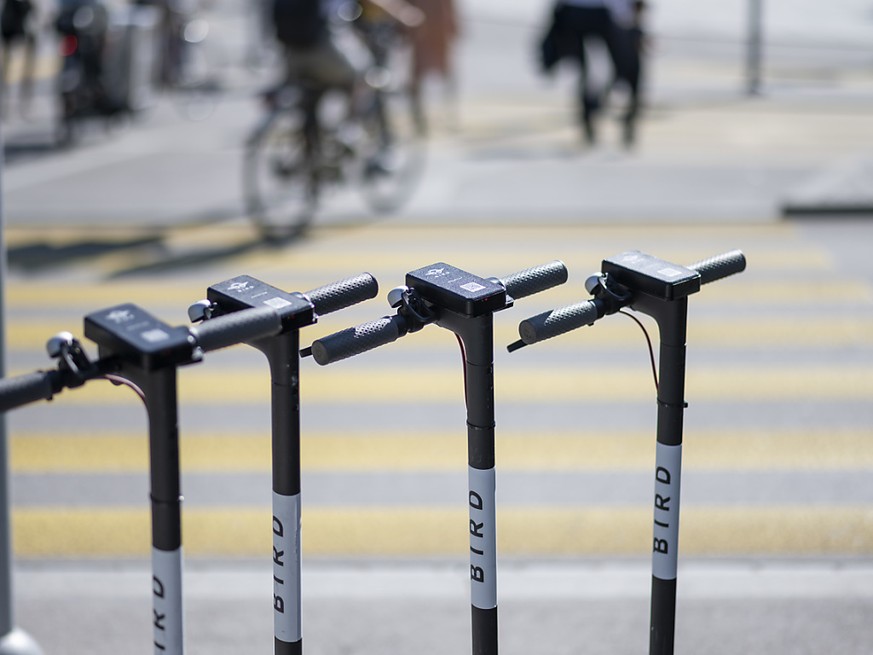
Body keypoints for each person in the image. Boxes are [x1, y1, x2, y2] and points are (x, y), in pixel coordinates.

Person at [539, 0, 623, 144]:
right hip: (575, 12)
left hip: (597, 12)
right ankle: (588, 114)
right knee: (584, 68)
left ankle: (593, 108)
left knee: (610, 67)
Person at [405, 0, 457, 133]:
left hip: (437, 28)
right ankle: (418, 116)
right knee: (417, 76)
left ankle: (449, 114)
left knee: (445, 73)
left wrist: (452, 25)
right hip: (420, 31)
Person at [1, 0, 37, 117]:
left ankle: (22, 105)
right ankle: (8, 105)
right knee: (11, 71)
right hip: (11, 30)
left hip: (23, 31)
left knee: (24, 71)